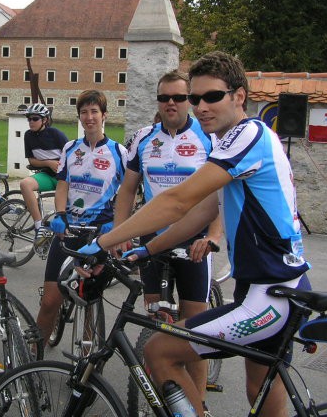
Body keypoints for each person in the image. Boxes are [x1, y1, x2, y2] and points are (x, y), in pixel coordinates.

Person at [80, 51, 311, 417]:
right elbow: (199, 210)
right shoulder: (232, 142)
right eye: (197, 97)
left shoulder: (246, 136)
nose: (202, 106)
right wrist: (146, 250)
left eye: (212, 96)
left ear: (239, 97)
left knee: (159, 350)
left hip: (271, 295)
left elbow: (176, 201)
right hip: (272, 286)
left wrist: (100, 243)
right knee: (261, 392)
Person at [113, 70, 221, 413]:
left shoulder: (208, 137)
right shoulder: (143, 138)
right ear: (157, 101)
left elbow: (219, 194)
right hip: (152, 242)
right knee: (155, 318)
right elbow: (127, 191)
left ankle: (198, 402)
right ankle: (165, 384)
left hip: (195, 241)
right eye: (164, 98)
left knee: (195, 331)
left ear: (189, 100)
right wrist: (120, 234)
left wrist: (214, 237)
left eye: (178, 97)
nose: (171, 103)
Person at [35, 89, 126, 341]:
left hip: (99, 235)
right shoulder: (70, 148)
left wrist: (116, 226)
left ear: (104, 115)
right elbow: (62, 185)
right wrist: (60, 214)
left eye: (94, 111)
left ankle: (87, 359)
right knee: (50, 300)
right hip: (69, 230)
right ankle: (35, 356)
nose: (89, 117)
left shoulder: (119, 152)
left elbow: (128, 193)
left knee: (90, 302)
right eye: (84, 112)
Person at [18, 103, 68, 243]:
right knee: (25, 184)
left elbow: (71, 156)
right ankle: (39, 226)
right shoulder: (28, 136)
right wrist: (48, 163)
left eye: (35, 119)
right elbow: (32, 160)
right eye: (29, 119)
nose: (31, 122)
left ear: (44, 120)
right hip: (46, 175)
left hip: (63, 178)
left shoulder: (56, 134)